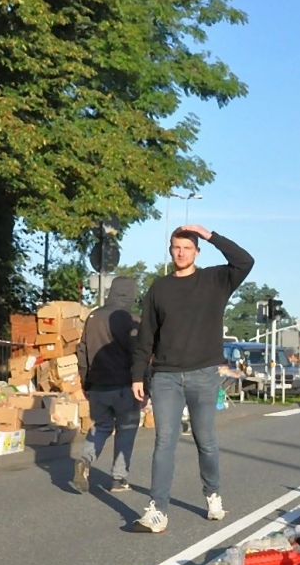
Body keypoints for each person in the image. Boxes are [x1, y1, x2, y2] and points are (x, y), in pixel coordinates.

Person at [129, 225, 253, 533]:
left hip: (203, 373)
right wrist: (137, 375)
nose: (181, 252)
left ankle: (212, 494)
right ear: (170, 250)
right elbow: (146, 335)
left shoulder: (215, 280)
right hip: (165, 377)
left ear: (197, 252)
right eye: (176, 247)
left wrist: (210, 235)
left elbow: (245, 261)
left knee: (205, 440)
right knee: (164, 441)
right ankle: (158, 510)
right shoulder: (159, 288)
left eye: (187, 247)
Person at [74, 276, 140, 494]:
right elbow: (139, 355)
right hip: (124, 386)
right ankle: (118, 479)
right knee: (126, 429)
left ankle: (85, 460)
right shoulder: (132, 320)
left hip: (97, 385)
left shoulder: (93, 317)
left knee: (101, 426)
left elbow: (82, 351)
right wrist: (145, 386)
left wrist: (85, 381)